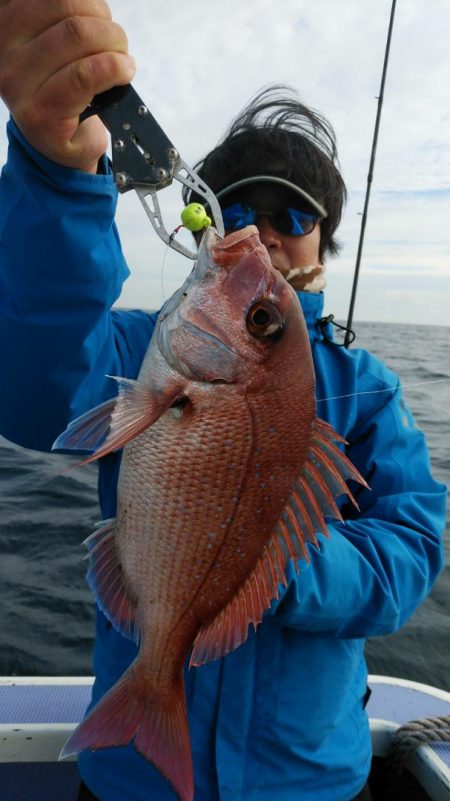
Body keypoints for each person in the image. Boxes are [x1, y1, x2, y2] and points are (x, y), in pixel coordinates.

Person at [0, 3, 446, 800]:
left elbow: (411, 553)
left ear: (324, 240)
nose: (264, 234)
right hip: (132, 781)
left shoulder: (368, 389)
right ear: (204, 226)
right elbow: (38, 386)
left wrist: (270, 569)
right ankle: (147, 697)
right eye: (238, 211)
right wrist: (61, 177)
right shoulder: (142, 352)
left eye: (293, 217)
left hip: (304, 782)